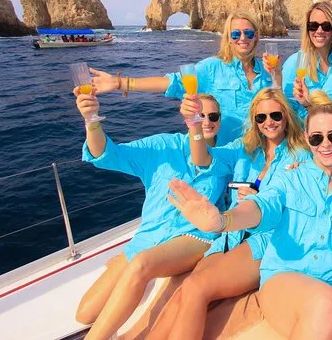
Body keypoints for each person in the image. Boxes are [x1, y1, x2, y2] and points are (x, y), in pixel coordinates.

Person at [166, 91, 332, 339]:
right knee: (322, 300)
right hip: (288, 274)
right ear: (306, 137)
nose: (326, 145)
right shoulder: (290, 177)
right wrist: (224, 220)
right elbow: (262, 207)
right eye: (317, 138)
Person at [147, 88, 309, 339]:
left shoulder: (301, 155)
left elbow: (300, 204)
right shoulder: (245, 149)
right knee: (184, 290)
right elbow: (202, 159)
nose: (269, 122)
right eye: (261, 117)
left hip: (266, 241)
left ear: (286, 116)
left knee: (196, 287)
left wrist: (259, 200)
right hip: (231, 235)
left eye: (275, 115)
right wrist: (194, 124)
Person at [73, 91, 229, 340]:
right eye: (200, 115)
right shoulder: (161, 147)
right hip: (149, 237)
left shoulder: (225, 157)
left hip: (194, 236)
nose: (206, 121)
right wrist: (91, 120)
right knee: (85, 313)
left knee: (141, 264)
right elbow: (108, 154)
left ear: (220, 120)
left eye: (213, 116)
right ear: (188, 115)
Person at [89, 10, 279, 144]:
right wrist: (120, 83)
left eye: (249, 33)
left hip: (260, 154)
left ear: (256, 37)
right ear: (228, 38)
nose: (243, 38)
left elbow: (282, 110)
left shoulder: (268, 71)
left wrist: (277, 75)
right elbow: (172, 83)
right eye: (236, 33)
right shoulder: (211, 67)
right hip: (224, 156)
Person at [282, 1, 332, 118]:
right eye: (313, 26)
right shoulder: (296, 62)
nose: (319, 31)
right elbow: (286, 107)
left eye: (326, 26)